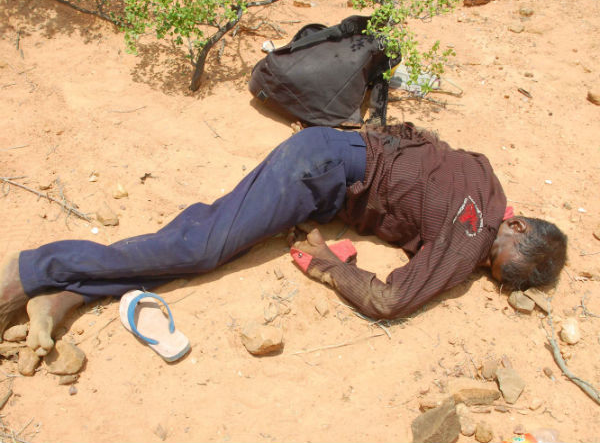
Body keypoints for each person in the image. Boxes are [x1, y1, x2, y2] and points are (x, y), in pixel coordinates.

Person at [0, 123, 567, 356]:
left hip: (331, 158)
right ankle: (28, 271)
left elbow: (424, 162)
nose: (478, 265)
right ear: (515, 226)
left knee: (212, 246)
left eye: (487, 271)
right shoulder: (473, 232)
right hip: (318, 171)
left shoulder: (486, 181)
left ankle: (68, 291)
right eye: (493, 259)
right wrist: (328, 266)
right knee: (203, 247)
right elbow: (389, 299)